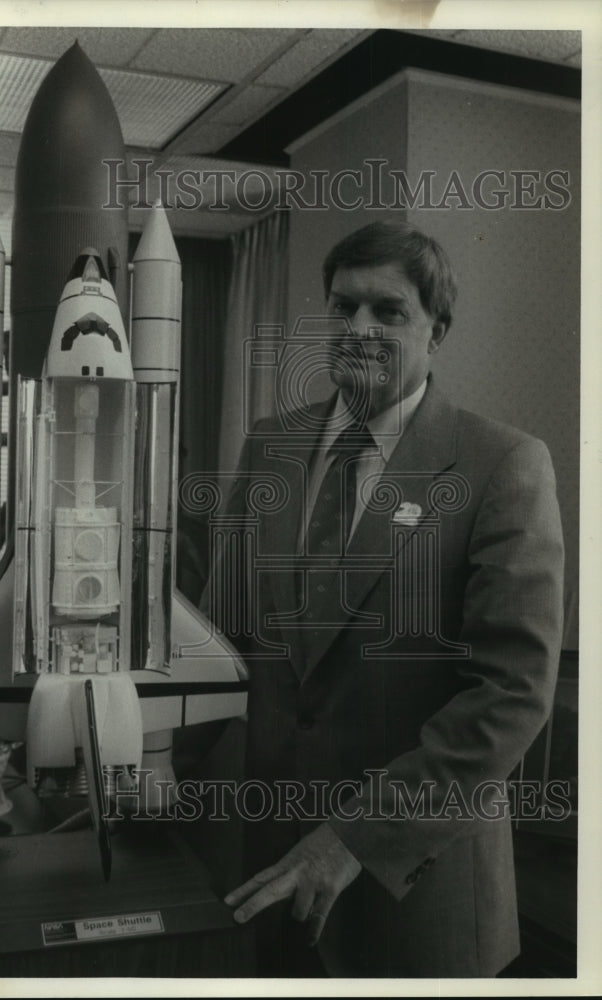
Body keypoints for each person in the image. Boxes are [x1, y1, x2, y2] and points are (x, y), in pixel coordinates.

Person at [209, 220, 565, 977]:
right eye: (343, 308)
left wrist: (354, 839)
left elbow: (510, 695)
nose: (358, 328)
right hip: (264, 866)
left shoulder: (502, 465)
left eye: (388, 311)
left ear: (436, 328)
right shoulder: (268, 447)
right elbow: (219, 641)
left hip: (414, 890)